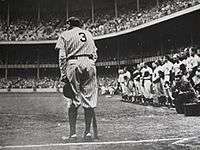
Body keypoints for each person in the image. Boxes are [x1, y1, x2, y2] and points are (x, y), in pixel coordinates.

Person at [55, 17, 98, 141]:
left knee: (73, 99)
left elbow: (62, 57)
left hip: (73, 63)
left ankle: (73, 134)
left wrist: (64, 74)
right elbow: (95, 54)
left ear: (69, 24)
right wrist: (89, 63)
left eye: (67, 24)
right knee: (89, 99)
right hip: (89, 63)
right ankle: (88, 133)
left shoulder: (65, 34)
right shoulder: (89, 34)